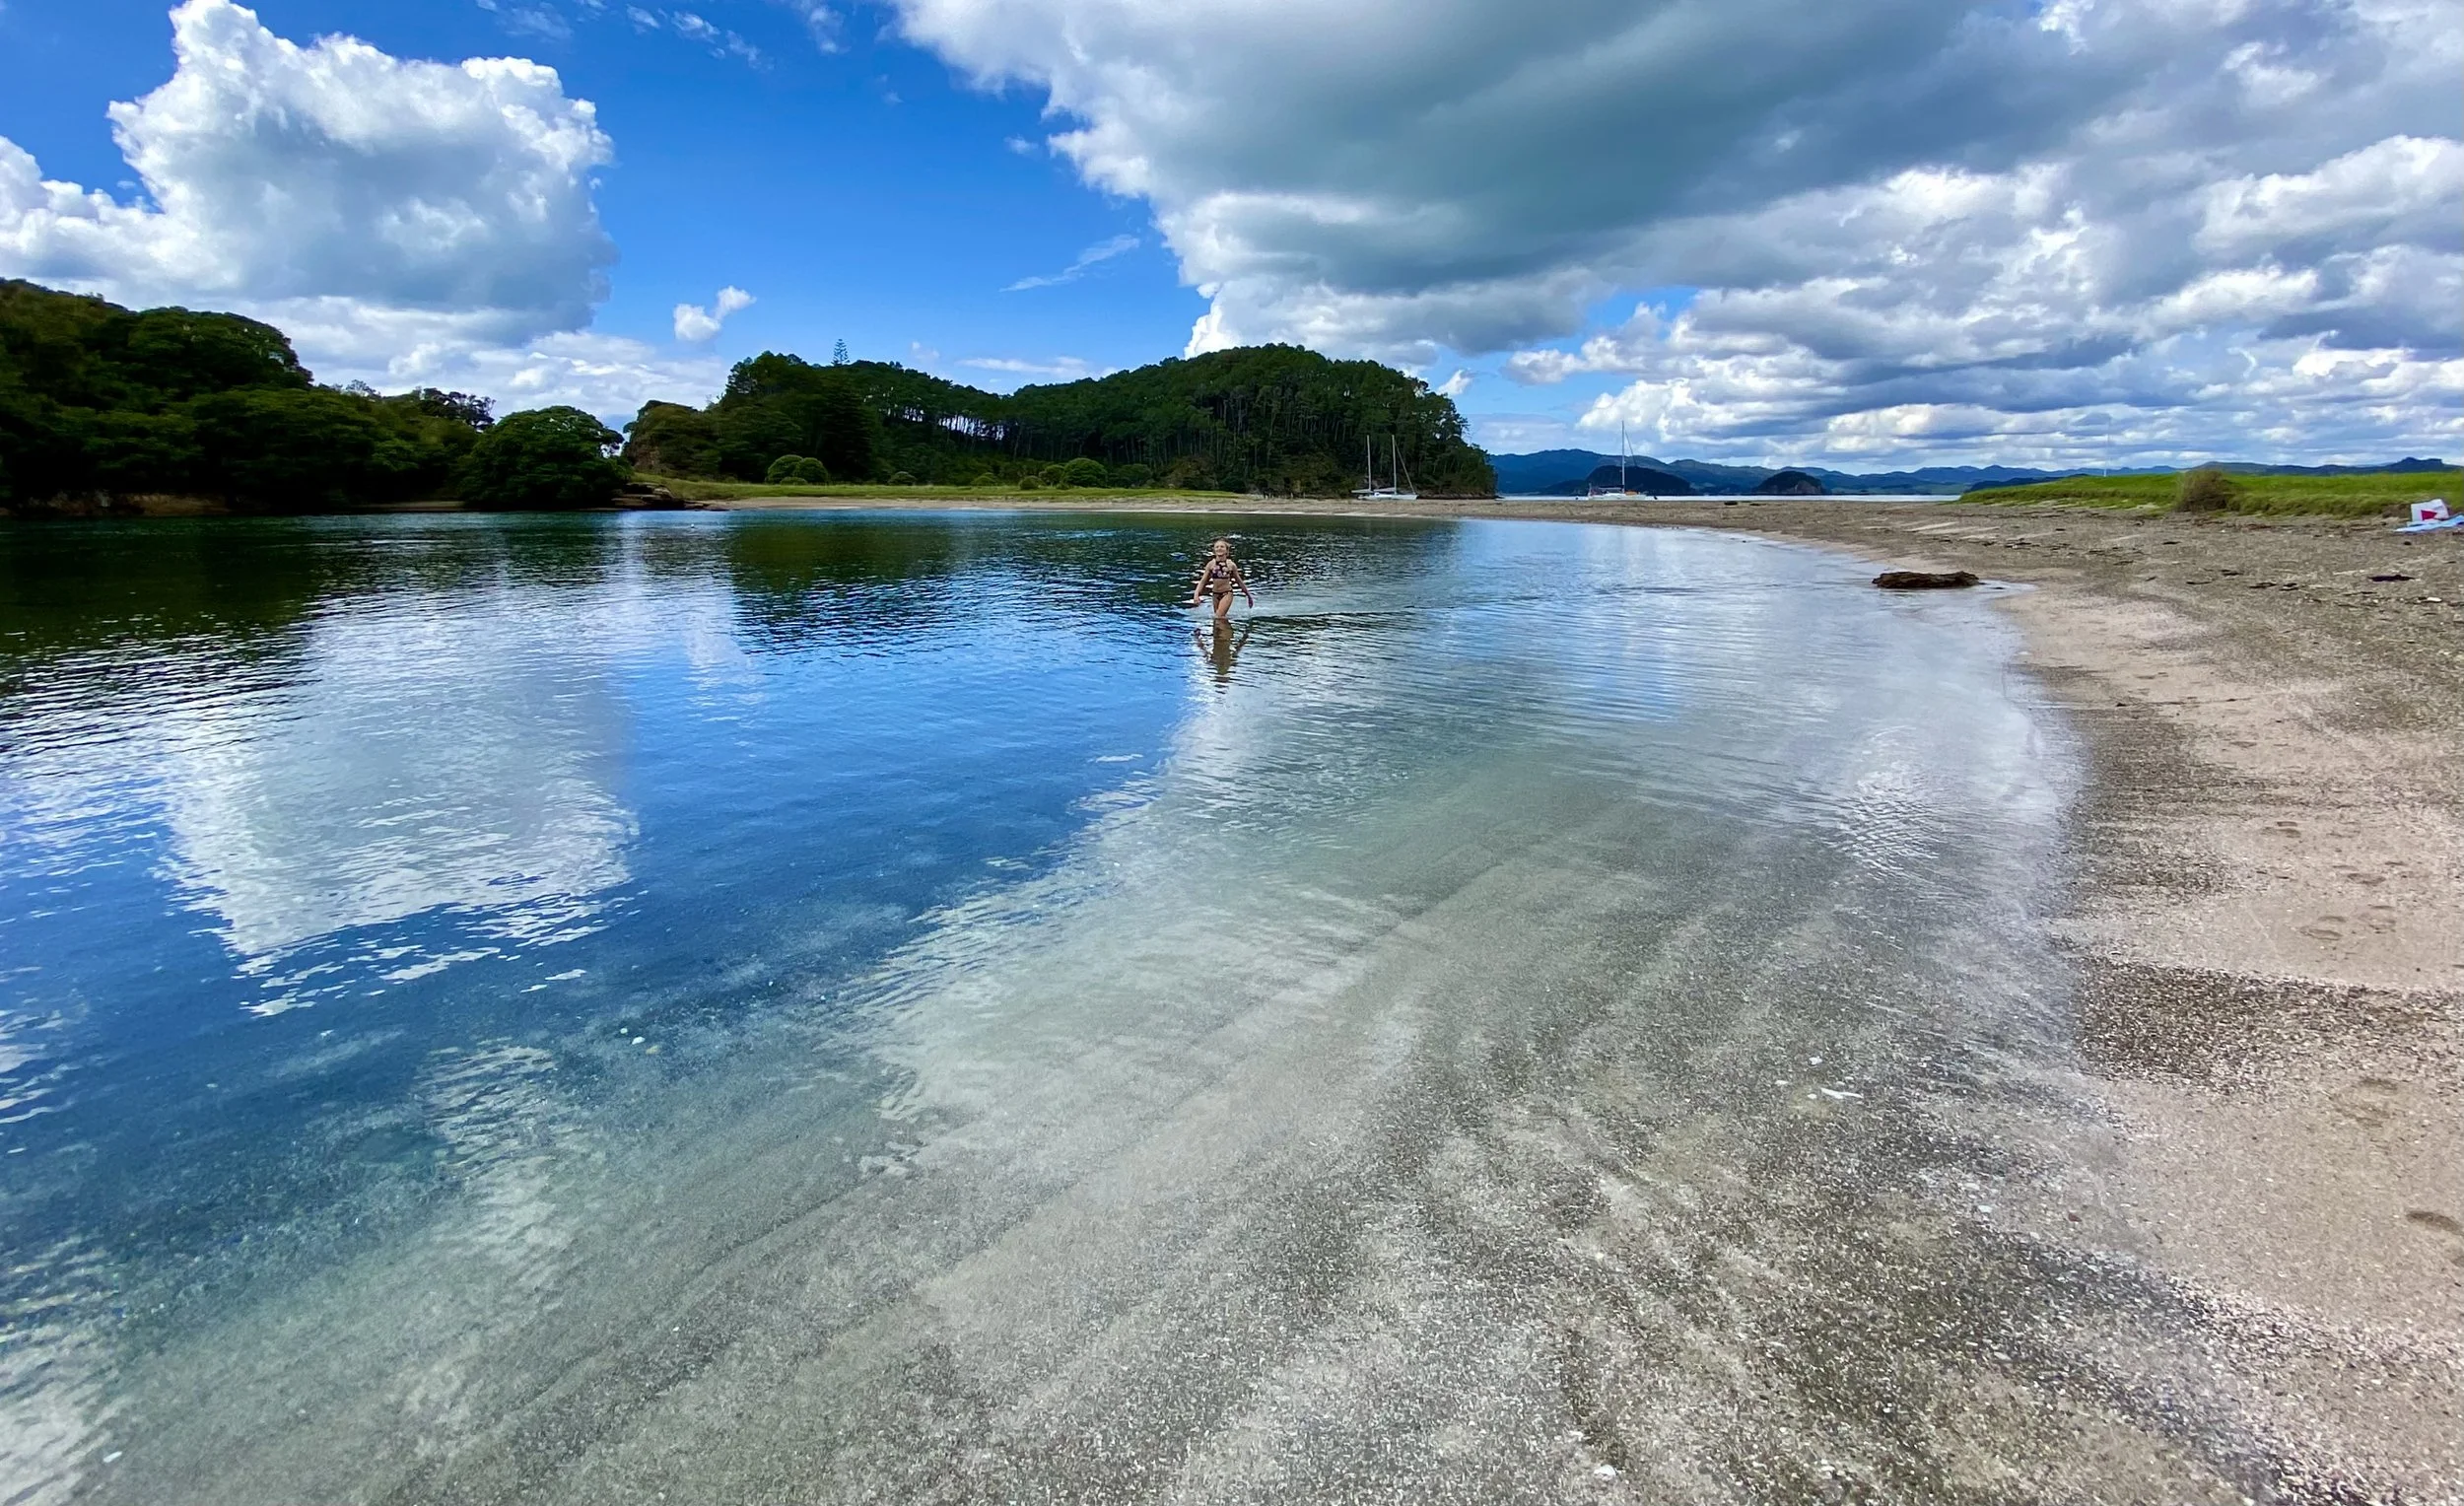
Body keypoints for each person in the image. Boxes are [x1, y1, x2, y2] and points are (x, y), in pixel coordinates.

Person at [1189, 537, 1254, 620]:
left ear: (1227, 551)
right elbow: (1203, 581)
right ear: (1214, 550)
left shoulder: (1231, 565)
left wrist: (1248, 596)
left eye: (1222, 547)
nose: (1219, 548)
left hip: (1227, 593)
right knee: (1219, 618)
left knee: (1219, 617)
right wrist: (1196, 594)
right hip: (1215, 594)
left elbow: (1239, 581)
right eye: (1217, 547)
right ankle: (1222, 632)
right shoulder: (1211, 564)